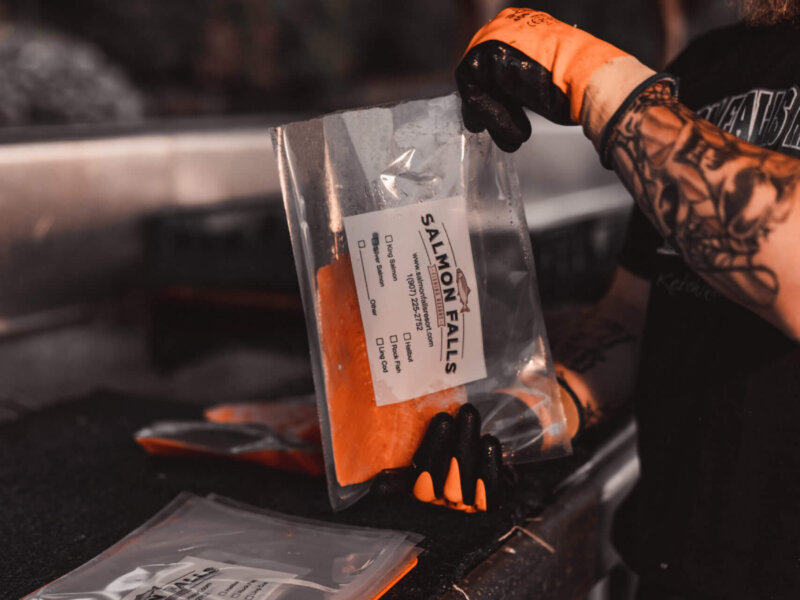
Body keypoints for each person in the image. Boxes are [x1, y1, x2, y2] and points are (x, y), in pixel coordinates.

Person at [405, 3, 800, 598]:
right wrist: (529, 416)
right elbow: (634, 314)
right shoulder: (713, 65)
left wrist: (597, 79)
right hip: (674, 573)